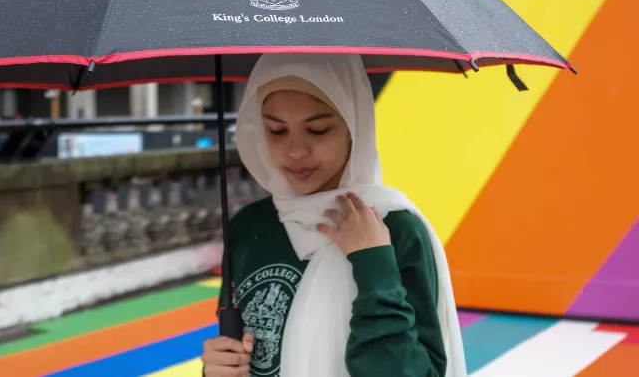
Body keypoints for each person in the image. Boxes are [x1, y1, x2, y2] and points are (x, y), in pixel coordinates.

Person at [200, 53, 466, 377]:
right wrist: (220, 367)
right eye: (277, 131)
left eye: (318, 129)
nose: (296, 151)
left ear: (355, 126)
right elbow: (243, 352)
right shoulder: (248, 226)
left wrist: (372, 262)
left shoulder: (393, 229)